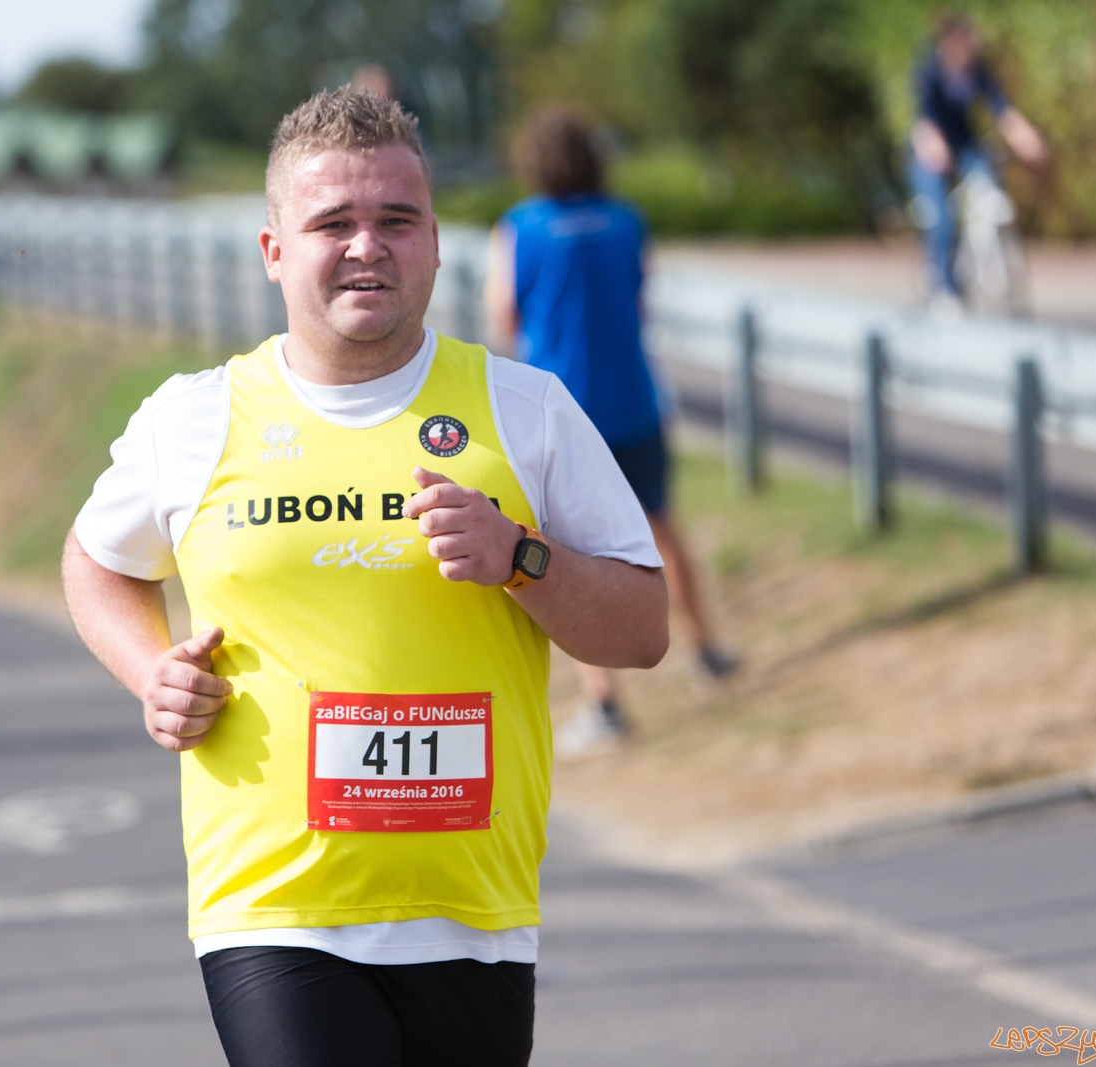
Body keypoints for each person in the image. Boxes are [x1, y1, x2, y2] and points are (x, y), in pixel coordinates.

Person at [63, 86, 668, 1066]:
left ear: (435, 242)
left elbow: (642, 630)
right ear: (273, 250)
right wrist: (150, 670)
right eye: (332, 223)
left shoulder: (527, 411)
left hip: (473, 909)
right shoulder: (196, 418)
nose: (366, 246)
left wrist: (521, 557)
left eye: (396, 219)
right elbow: (96, 558)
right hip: (272, 907)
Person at [486, 105, 735, 756]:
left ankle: (604, 704)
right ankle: (707, 651)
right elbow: (639, 300)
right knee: (663, 528)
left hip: (563, 413)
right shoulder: (628, 220)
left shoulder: (519, 227)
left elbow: (504, 316)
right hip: (633, 400)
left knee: (568, 554)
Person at [909, 14, 1048, 313]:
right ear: (950, 43)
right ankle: (944, 288)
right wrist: (934, 144)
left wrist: (1026, 138)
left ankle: (992, 259)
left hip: (964, 143)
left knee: (987, 181)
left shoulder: (976, 70)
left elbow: (1002, 109)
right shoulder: (930, 68)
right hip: (931, 145)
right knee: (942, 217)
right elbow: (925, 116)